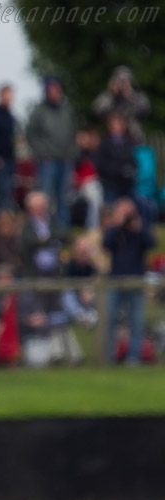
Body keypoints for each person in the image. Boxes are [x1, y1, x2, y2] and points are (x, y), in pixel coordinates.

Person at [102, 197, 155, 365]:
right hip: (115, 280)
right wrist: (117, 224)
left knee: (136, 321)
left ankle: (134, 357)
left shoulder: (138, 228)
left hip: (135, 280)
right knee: (110, 319)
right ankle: (107, 357)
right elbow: (106, 244)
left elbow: (151, 243)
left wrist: (138, 228)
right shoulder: (115, 230)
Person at [26, 75, 76, 234]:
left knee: (64, 197)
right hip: (47, 161)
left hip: (65, 159)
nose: (56, 92)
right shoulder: (39, 111)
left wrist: (71, 152)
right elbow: (31, 134)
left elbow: (72, 132)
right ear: (46, 91)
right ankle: (42, 231)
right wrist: (42, 152)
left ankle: (63, 232)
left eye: (57, 88)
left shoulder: (66, 110)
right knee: (44, 198)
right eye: (52, 89)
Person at [92, 66, 151, 143]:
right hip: (111, 138)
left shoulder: (138, 96)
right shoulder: (107, 97)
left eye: (125, 81)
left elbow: (146, 110)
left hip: (134, 137)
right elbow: (96, 110)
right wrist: (111, 95)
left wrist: (130, 96)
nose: (122, 84)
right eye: (119, 81)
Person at [95, 111, 136, 203]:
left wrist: (129, 170)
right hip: (110, 184)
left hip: (126, 184)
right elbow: (100, 164)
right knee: (110, 211)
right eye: (112, 125)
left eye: (118, 124)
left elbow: (133, 160)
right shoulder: (104, 143)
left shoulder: (129, 142)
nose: (115, 128)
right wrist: (117, 170)